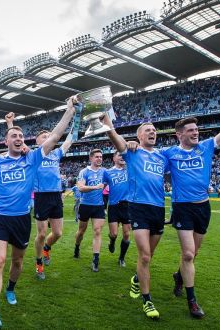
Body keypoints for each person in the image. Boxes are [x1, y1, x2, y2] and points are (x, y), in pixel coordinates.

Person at [0, 99, 76, 329]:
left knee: (17, 261)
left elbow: (55, 136)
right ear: (6, 141)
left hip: (22, 219)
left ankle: (11, 289)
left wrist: (69, 111)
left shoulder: (33, 158)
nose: (18, 138)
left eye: (20, 136)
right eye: (13, 136)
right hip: (2, 219)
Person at [164, 91, 220, 319]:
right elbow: (147, 157)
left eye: (196, 129)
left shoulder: (206, 146)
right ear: (180, 135)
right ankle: (192, 301)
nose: (195, 132)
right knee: (188, 253)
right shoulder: (170, 153)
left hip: (203, 207)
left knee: (193, 253)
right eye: (190, 130)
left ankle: (179, 276)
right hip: (182, 207)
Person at [104, 113, 168, 319]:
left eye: (154, 130)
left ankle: (136, 279)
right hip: (138, 207)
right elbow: (114, 137)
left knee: (149, 255)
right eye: (148, 130)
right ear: (139, 136)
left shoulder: (162, 156)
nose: (152, 132)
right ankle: (147, 300)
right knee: (146, 255)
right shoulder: (132, 153)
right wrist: (107, 120)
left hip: (158, 209)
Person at [5, 112, 75, 280]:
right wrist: (10, 123)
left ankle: (46, 249)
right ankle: (39, 262)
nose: (48, 137)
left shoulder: (57, 153)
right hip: (41, 196)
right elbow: (16, 140)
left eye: (50, 136)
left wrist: (77, 118)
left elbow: (70, 138)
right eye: (44, 136)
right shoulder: (32, 154)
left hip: (56, 197)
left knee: (57, 233)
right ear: (37, 141)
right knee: (42, 234)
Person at [74, 149, 106, 272]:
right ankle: (77, 246)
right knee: (81, 231)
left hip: (98, 206)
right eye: (97, 156)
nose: (99, 159)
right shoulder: (84, 172)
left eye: (101, 157)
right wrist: (95, 187)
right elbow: (81, 188)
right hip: (85, 205)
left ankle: (95, 259)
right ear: (91, 158)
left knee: (97, 231)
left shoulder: (104, 172)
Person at [102, 151, 131, 267]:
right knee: (114, 233)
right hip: (114, 206)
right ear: (114, 158)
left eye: (123, 155)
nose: (122, 157)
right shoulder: (108, 173)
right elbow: (101, 187)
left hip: (128, 206)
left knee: (127, 234)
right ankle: (112, 241)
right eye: (119, 155)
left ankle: (121, 258)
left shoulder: (130, 169)